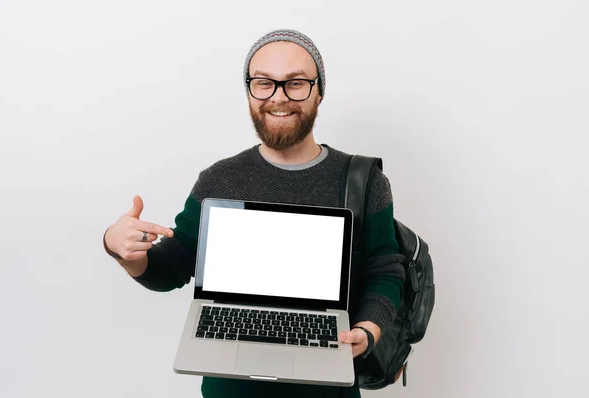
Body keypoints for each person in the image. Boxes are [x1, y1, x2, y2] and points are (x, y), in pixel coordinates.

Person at [103, 29, 405, 398]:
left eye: (295, 83)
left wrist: (369, 329)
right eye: (264, 83)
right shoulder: (218, 179)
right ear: (249, 90)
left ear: (319, 91)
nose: (279, 97)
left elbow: (386, 270)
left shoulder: (362, 181)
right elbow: (173, 267)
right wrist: (122, 250)